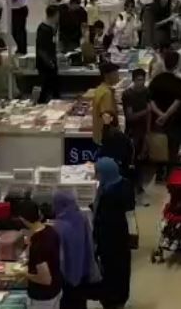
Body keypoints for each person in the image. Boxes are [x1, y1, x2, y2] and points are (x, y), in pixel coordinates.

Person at [92, 157, 133, 309]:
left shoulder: (108, 194)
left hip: (110, 241)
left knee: (111, 273)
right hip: (122, 238)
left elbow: (103, 221)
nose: (96, 176)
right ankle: (119, 299)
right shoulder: (124, 184)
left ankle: (112, 301)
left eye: (98, 173)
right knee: (121, 271)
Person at [51, 191, 94, 309]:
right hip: (83, 271)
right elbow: (89, 242)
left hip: (66, 278)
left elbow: (60, 257)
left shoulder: (59, 226)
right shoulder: (82, 218)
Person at [18, 199, 62, 308]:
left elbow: (45, 279)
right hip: (56, 290)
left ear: (22, 219)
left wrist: (23, 274)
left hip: (42, 298)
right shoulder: (50, 230)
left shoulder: (38, 244)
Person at [148, 51, 181, 178]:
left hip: (158, 120)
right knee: (173, 148)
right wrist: (167, 115)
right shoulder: (178, 82)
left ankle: (159, 173)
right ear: (177, 65)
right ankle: (170, 174)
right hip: (174, 120)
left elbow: (150, 100)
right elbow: (178, 101)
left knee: (159, 146)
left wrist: (160, 114)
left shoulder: (156, 80)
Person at [92, 62, 120, 144]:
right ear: (107, 76)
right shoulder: (106, 93)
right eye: (115, 74)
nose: (118, 76)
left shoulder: (100, 89)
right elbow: (107, 117)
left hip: (98, 133)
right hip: (106, 138)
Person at [35, 5, 60, 102]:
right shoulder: (43, 29)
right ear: (55, 15)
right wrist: (50, 63)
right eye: (58, 15)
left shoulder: (51, 28)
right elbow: (41, 49)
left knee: (54, 87)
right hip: (45, 64)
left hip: (50, 62)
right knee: (45, 88)